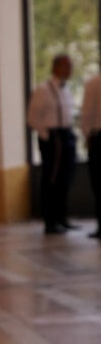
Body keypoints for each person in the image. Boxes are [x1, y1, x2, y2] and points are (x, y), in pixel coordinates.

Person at [27, 53, 79, 234]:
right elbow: (32, 118)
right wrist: (47, 136)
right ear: (56, 67)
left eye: (71, 66)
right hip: (53, 137)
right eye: (67, 66)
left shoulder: (66, 89)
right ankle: (50, 221)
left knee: (65, 178)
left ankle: (61, 218)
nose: (70, 70)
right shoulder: (43, 89)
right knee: (52, 179)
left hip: (66, 135)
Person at [78, 72, 101, 238]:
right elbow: (86, 114)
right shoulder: (93, 82)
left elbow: (86, 113)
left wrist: (87, 136)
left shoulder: (93, 83)